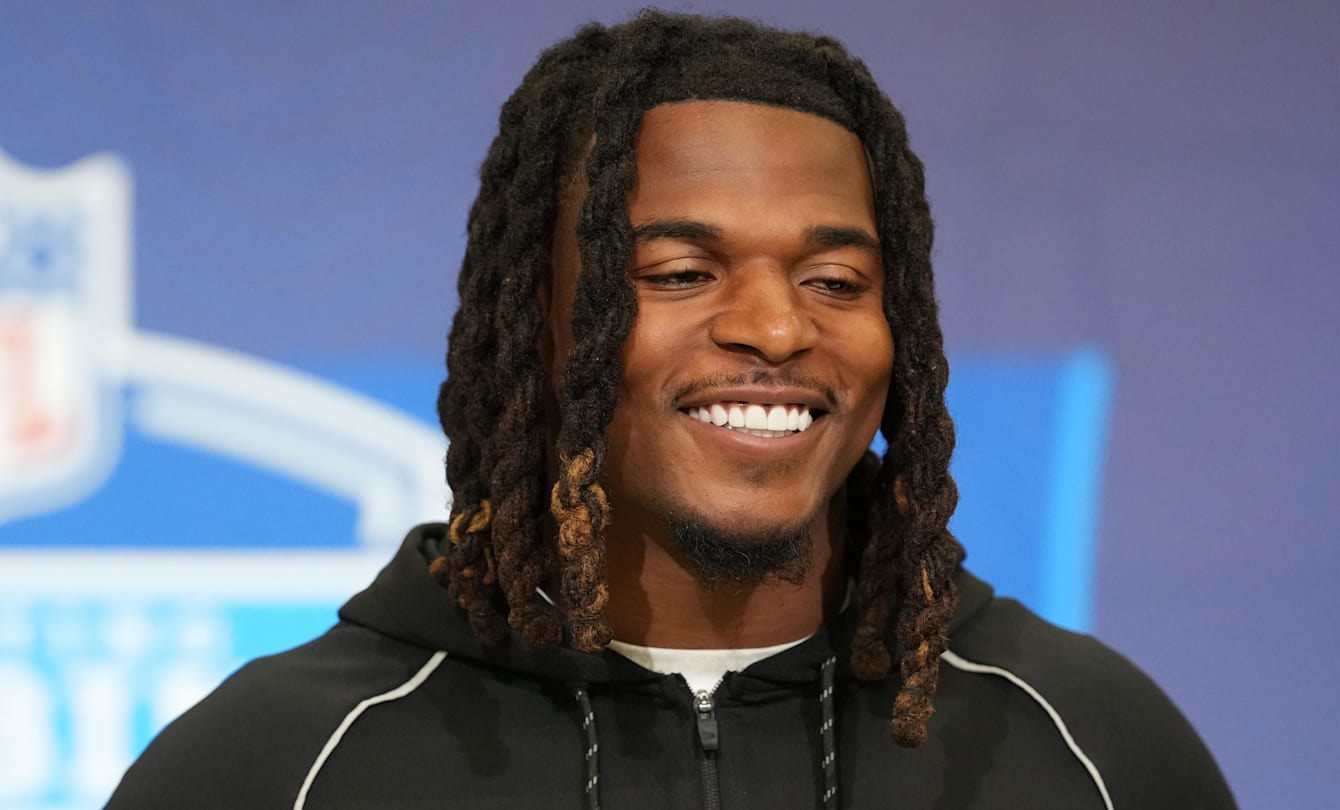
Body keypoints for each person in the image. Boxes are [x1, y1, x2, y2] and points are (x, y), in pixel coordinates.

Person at [108, 10, 1235, 809]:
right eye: (679, 273)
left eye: (836, 282)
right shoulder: (283, 765)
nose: (778, 330)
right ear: (533, 327)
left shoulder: (1090, 750)